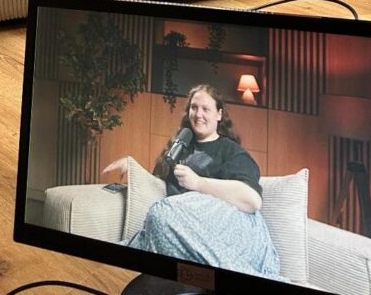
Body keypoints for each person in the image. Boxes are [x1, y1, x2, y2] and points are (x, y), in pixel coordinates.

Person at [102, 84, 280, 278]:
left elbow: (252, 200)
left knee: (159, 214)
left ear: (219, 114)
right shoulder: (179, 148)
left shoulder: (231, 151)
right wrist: (132, 167)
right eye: (194, 108)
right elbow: (160, 185)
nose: (198, 114)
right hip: (176, 229)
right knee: (109, 260)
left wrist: (198, 183)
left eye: (205, 109)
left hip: (222, 232)